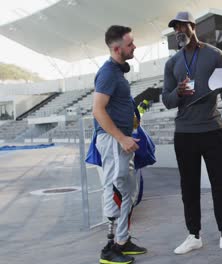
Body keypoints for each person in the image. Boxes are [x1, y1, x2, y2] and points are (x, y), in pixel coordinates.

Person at [162, 11, 222, 254]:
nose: (179, 31)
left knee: (219, 185)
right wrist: (179, 92)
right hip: (185, 133)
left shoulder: (215, 55)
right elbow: (166, 101)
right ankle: (194, 235)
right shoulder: (172, 63)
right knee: (188, 187)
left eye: (182, 26)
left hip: (212, 129)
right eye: (175, 28)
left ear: (193, 26)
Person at [93, 25, 147, 264]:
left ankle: (122, 241)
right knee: (115, 190)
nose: (134, 47)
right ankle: (108, 248)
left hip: (122, 139)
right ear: (117, 49)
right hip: (114, 141)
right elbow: (97, 110)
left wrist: (131, 121)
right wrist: (121, 137)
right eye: (130, 44)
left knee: (127, 191)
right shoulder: (107, 73)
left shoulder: (118, 73)